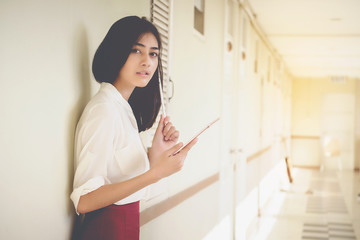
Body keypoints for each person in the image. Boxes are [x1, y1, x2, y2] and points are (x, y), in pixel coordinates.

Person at [70, 16, 197, 240]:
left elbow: (118, 174)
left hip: (125, 225)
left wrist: (155, 155)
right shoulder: (104, 110)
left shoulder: (122, 108)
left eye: (153, 53)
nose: (147, 61)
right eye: (136, 51)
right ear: (116, 52)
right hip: (106, 229)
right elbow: (85, 199)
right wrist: (156, 172)